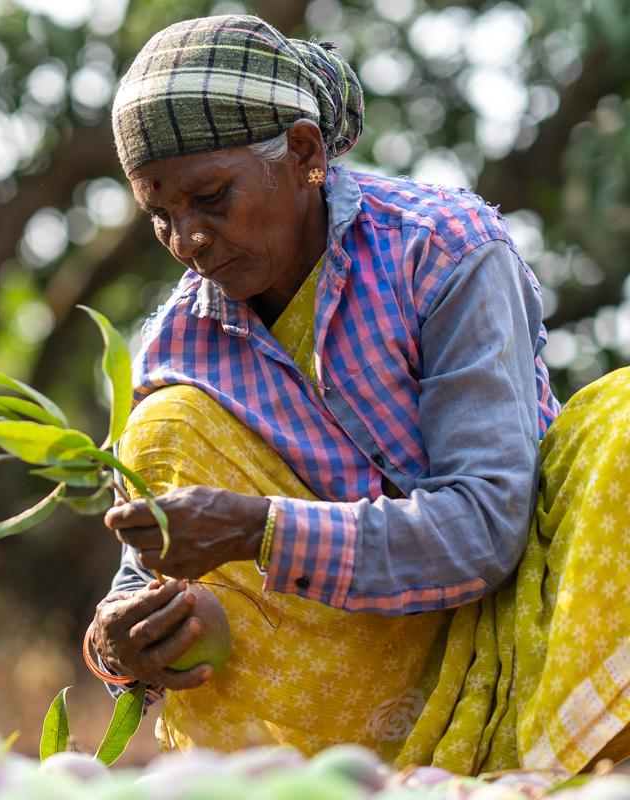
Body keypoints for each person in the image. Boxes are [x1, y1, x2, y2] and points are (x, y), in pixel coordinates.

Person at [84, 14, 630, 776]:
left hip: (535, 614)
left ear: (304, 154)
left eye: (210, 197)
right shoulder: (179, 349)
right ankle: (305, 780)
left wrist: (261, 530)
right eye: (160, 214)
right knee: (164, 426)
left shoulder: (439, 252)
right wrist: (114, 643)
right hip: (360, 688)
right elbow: (145, 572)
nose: (187, 239)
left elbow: (487, 527)